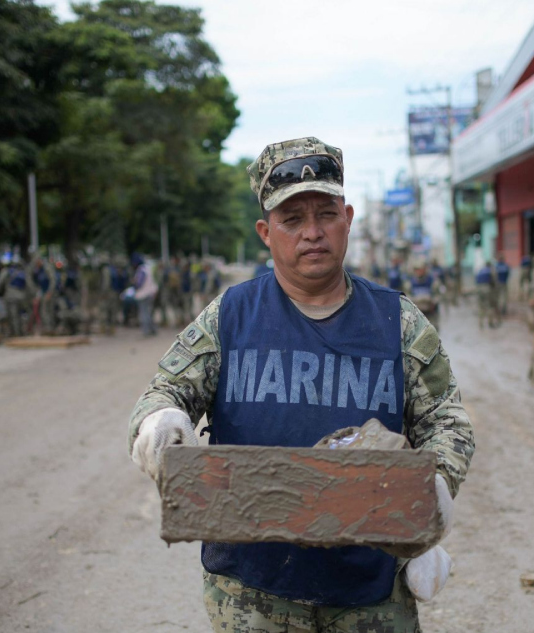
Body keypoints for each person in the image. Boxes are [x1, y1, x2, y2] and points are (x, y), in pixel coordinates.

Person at [127, 136, 474, 632]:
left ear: (348, 218)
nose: (312, 232)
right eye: (292, 220)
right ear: (266, 232)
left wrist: (433, 487)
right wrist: (160, 422)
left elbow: (447, 420)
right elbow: (164, 391)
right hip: (251, 590)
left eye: (325, 214)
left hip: (370, 590)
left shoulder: (396, 321)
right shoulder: (231, 316)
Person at [0, 259, 29, 338]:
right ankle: (22, 332)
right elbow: (29, 285)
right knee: (21, 315)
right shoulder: (23, 272)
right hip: (22, 296)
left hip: (11, 295)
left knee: (12, 315)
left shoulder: (7, 271)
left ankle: (15, 333)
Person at [130, 253, 158, 336]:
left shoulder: (140, 270)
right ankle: (152, 329)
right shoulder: (147, 268)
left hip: (143, 294)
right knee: (148, 313)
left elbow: (139, 283)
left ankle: (146, 331)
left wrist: (134, 283)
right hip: (149, 293)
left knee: (144, 313)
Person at [475, 261, 500, 329]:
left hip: (479, 289)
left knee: (481, 307)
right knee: (490, 306)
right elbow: (494, 282)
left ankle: (480, 323)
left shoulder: (480, 270)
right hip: (487, 289)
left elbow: (476, 280)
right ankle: (490, 322)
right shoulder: (490, 271)